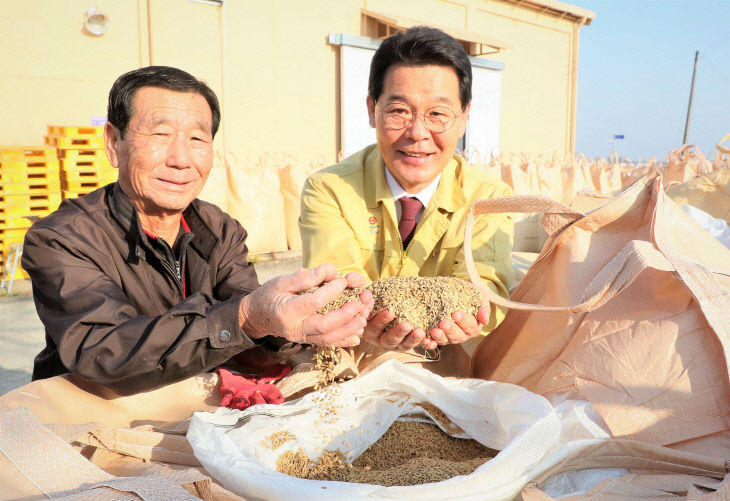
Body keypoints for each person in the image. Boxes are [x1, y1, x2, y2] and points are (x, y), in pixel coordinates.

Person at [22, 66, 372, 395]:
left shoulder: (218, 230)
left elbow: (247, 335)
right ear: (114, 143)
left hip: (191, 406)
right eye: (160, 134)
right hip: (91, 414)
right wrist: (247, 317)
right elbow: (103, 352)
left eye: (196, 139)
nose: (181, 159)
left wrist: (298, 319)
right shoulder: (63, 238)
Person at [299, 26, 514, 376]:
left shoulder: (489, 198)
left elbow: (488, 285)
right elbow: (335, 284)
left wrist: (474, 313)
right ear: (372, 110)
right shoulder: (329, 188)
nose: (417, 133)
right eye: (399, 111)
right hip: (353, 363)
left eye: (438, 114)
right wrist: (363, 320)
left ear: (463, 118)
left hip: (450, 367)